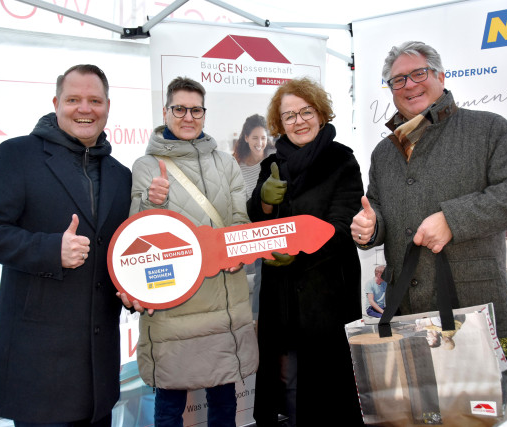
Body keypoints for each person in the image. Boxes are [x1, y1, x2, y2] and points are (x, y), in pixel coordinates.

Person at [0, 64, 135, 426]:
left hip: (99, 377)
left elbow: (120, 253)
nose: (85, 108)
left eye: (95, 100)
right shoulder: (17, 155)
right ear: (56, 103)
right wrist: (50, 250)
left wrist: (132, 290)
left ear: (108, 106)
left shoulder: (121, 175)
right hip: (39, 374)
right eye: (73, 99)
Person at [351, 41, 507, 340]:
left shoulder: (487, 128)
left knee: (472, 374)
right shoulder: (383, 152)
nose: (409, 85)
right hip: (404, 309)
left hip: (470, 307)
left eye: (419, 73)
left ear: (440, 77)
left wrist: (452, 220)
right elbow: (377, 207)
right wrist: (370, 227)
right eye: (398, 80)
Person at [129, 76, 258, 427]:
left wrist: (236, 254)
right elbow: (135, 238)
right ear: (165, 112)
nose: (188, 117)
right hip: (172, 304)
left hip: (223, 302)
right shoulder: (145, 166)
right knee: (170, 403)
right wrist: (150, 202)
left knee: (224, 400)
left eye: (196, 110)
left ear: (204, 113)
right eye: (180, 109)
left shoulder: (226, 163)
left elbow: (239, 220)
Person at [247, 77, 364, 426]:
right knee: (283, 385)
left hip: (326, 295)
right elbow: (257, 219)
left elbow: (344, 226)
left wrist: (301, 252)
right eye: (289, 116)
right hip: (279, 295)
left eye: (306, 112)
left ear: (321, 114)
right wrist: (264, 202)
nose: (299, 121)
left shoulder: (342, 160)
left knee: (325, 391)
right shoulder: (272, 163)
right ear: (279, 123)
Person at [232, 114, 275, 321]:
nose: (260, 143)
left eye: (263, 138)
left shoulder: (273, 161)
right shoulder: (236, 166)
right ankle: (253, 321)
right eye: (255, 138)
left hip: (270, 230)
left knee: (264, 275)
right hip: (247, 231)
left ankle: (261, 320)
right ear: (246, 137)